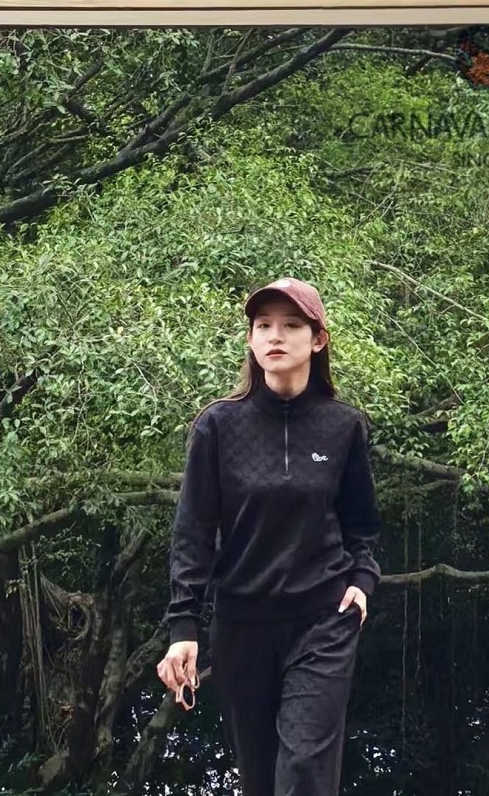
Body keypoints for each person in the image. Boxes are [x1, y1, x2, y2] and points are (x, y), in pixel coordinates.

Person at [156, 276, 383, 796]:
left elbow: (363, 525)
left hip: (323, 619)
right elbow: (192, 532)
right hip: (242, 625)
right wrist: (183, 626)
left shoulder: (343, 426)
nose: (275, 336)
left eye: (291, 325)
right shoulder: (217, 426)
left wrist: (362, 581)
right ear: (251, 339)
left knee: (303, 772)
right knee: (259, 781)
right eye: (263, 326)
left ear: (318, 339)